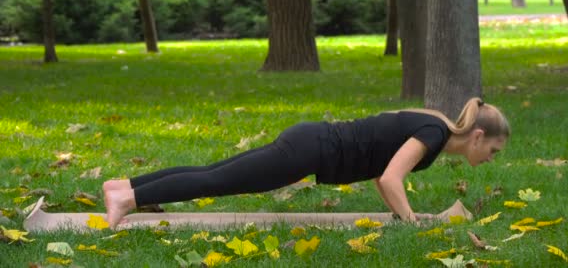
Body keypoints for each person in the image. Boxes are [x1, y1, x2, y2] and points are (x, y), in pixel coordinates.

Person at [103, 97, 510, 228]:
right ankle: (128, 199)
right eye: (492, 150)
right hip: (310, 149)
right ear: (478, 136)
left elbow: (380, 173)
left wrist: (400, 213)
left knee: (216, 173)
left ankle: (125, 187)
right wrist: (410, 222)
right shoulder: (434, 133)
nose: (489, 159)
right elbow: (390, 179)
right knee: (218, 179)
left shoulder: (434, 127)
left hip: (311, 142)